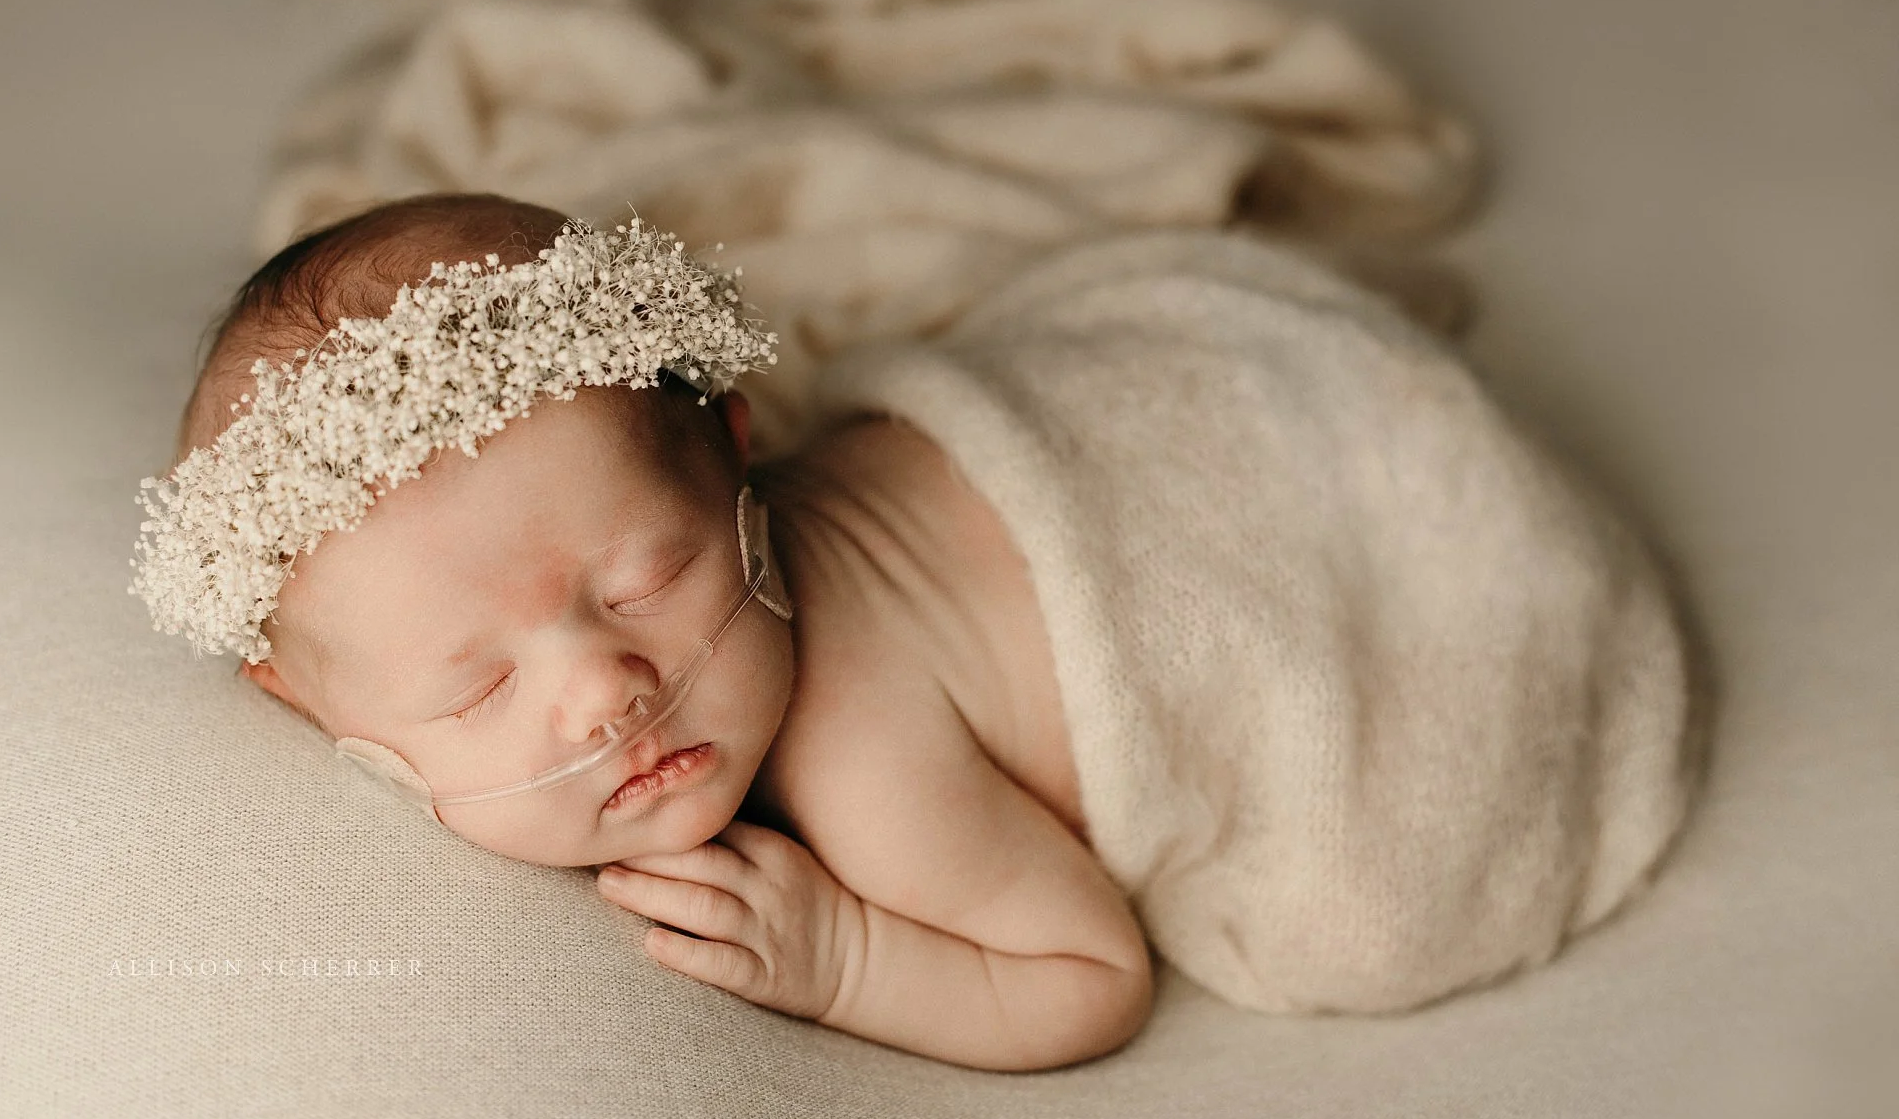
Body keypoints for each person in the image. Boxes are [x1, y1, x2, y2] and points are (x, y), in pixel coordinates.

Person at [132, 192, 1699, 1072]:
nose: (601, 688)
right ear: (304, 706)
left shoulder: (861, 744)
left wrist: (848, 955)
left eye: (648, 579)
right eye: (474, 684)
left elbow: (1085, 976)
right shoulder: (389, 660)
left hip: (1242, 512)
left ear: (739, 447)